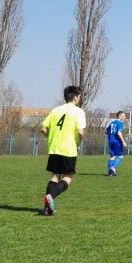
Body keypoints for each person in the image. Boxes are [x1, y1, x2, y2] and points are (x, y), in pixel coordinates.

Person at [39, 86, 87, 216]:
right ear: (76, 96)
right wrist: (79, 142)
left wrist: (52, 136)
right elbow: (80, 132)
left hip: (54, 148)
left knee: (55, 176)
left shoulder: (56, 110)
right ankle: (51, 197)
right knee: (68, 176)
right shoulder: (78, 112)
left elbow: (43, 129)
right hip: (68, 149)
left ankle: (47, 208)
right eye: (79, 96)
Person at [106, 111, 127, 175]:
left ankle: (110, 173)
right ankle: (112, 168)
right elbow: (119, 133)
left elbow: (107, 131)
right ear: (119, 116)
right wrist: (123, 142)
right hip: (117, 142)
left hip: (110, 141)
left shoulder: (112, 123)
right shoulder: (120, 123)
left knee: (112, 157)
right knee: (120, 156)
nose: (125, 117)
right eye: (123, 116)